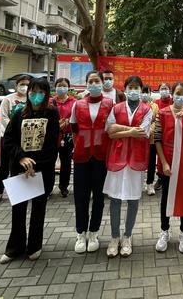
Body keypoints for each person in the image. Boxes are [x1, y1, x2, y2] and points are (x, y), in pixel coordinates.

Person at [0, 77, 59, 263]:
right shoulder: (19, 113)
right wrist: (21, 158)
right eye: (33, 91)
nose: (36, 95)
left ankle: (35, 246)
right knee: (18, 209)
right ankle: (14, 248)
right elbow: (8, 140)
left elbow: (52, 144)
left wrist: (35, 165)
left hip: (42, 170)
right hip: (20, 169)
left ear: (46, 94)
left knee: (38, 209)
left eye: (41, 92)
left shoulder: (52, 114)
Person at [104, 75, 152, 258]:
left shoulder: (147, 110)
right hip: (117, 158)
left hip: (136, 159)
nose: (133, 90)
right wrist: (130, 130)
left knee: (133, 200)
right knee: (115, 199)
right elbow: (109, 132)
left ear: (141, 90)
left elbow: (143, 133)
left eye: (136, 87)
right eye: (130, 87)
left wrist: (121, 129)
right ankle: (114, 237)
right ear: (125, 89)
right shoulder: (116, 108)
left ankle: (127, 236)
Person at [69, 70, 114, 254]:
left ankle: (94, 232)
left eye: (97, 81)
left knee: (98, 197)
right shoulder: (77, 105)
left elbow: (113, 129)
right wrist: (81, 145)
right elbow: (73, 129)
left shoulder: (110, 104)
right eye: (91, 81)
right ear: (86, 84)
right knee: (80, 196)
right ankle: (81, 233)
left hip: (101, 157)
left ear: (102, 83)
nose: (94, 84)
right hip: (82, 156)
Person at [155, 82, 183, 253]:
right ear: (172, 94)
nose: (181, 96)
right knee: (166, 197)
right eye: (178, 93)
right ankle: (164, 231)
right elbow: (157, 139)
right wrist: (164, 162)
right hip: (168, 163)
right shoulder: (163, 113)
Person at [0, 75, 31, 207]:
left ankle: (20, 192)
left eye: (27, 84)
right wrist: (15, 129)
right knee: (4, 165)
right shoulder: (8, 99)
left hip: (25, 138)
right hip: (8, 137)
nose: (24, 87)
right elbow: (3, 117)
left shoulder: (31, 99)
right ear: (16, 86)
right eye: (22, 84)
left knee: (20, 164)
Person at [52, 78, 76, 198]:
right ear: (55, 87)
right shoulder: (50, 102)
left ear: (68, 87)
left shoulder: (74, 102)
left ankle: (64, 187)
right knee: (50, 162)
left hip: (67, 137)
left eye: (64, 85)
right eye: (59, 85)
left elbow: (77, 118)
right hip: (52, 136)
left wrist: (68, 122)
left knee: (66, 163)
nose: (62, 88)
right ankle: (48, 187)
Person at [141, 85, 159, 196]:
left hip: (151, 140)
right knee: (139, 162)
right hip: (138, 139)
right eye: (143, 92)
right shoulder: (136, 105)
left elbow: (156, 120)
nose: (144, 94)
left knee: (151, 163)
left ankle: (150, 184)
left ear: (150, 93)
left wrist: (149, 131)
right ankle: (138, 184)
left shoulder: (155, 106)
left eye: (146, 92)